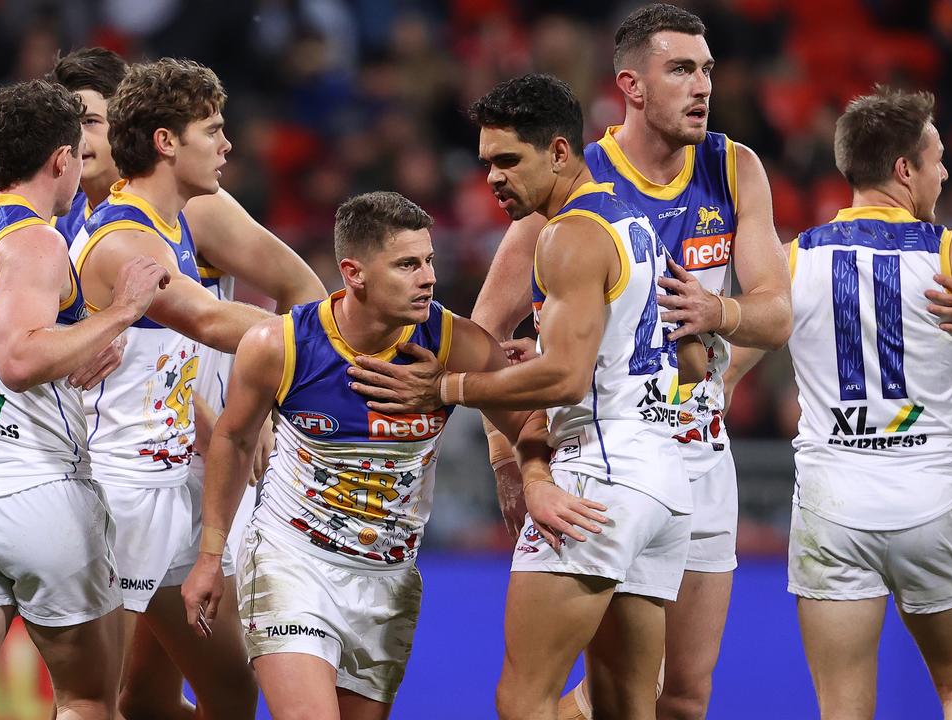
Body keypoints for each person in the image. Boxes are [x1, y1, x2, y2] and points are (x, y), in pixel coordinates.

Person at [463, 5, 792, 718]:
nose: (702, 85)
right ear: (632, 86)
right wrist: (513, 461)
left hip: (699, 461)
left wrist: (721, 325)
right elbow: (486, 329)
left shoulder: (734, 167)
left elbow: (776, 313)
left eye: (707, 69)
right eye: (681, 69)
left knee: (682, 697)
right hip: (609, 456)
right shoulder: (570, 186)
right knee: (602, 690)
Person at [345, 74, 690, 720]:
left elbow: (562, 378)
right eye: (485, 164)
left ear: (560, 153)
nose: (494, 179)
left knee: (522, 700)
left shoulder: (570, 235)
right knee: (624, 705)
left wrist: (446, 387)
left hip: (597, 481)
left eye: (508, 161)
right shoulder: (635, 223)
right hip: (662, 481)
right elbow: (688, 356)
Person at [181, 190, 600, 720]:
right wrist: (211, 557)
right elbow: (234, 440)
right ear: (354, 273)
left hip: (389, 579)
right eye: (407, 264)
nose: (427, 277)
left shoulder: (453, 343)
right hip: (293, 564)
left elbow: (529, 422)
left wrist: (533, 479)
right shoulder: (279, 345)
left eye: (429, 261)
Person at [49, 45, 328, 719]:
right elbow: (198, 320)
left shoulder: (190, 211)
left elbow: (293, 291)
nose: (79, 139)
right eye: (70, 125)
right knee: (100, 700)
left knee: (192, 694)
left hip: (184, 482)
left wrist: (249, 412)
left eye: (91, 121)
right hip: (116, 489)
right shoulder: (98, 230)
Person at [0, 78, 169, 719]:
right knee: (88, 703)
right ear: (59, 159)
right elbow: (20, 358)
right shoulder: (37, 238)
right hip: (37, 495)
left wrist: (82, 343)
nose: (84, 173)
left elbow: (5, 349)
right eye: (79, 158)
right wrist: (122, 314)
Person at [787, 86, 952, 720]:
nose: (945, 171)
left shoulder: (788, 264)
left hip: (831, 512)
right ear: (904, 170)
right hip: (931, 507)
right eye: (938, 158)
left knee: (841, 710)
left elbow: (720, 366)